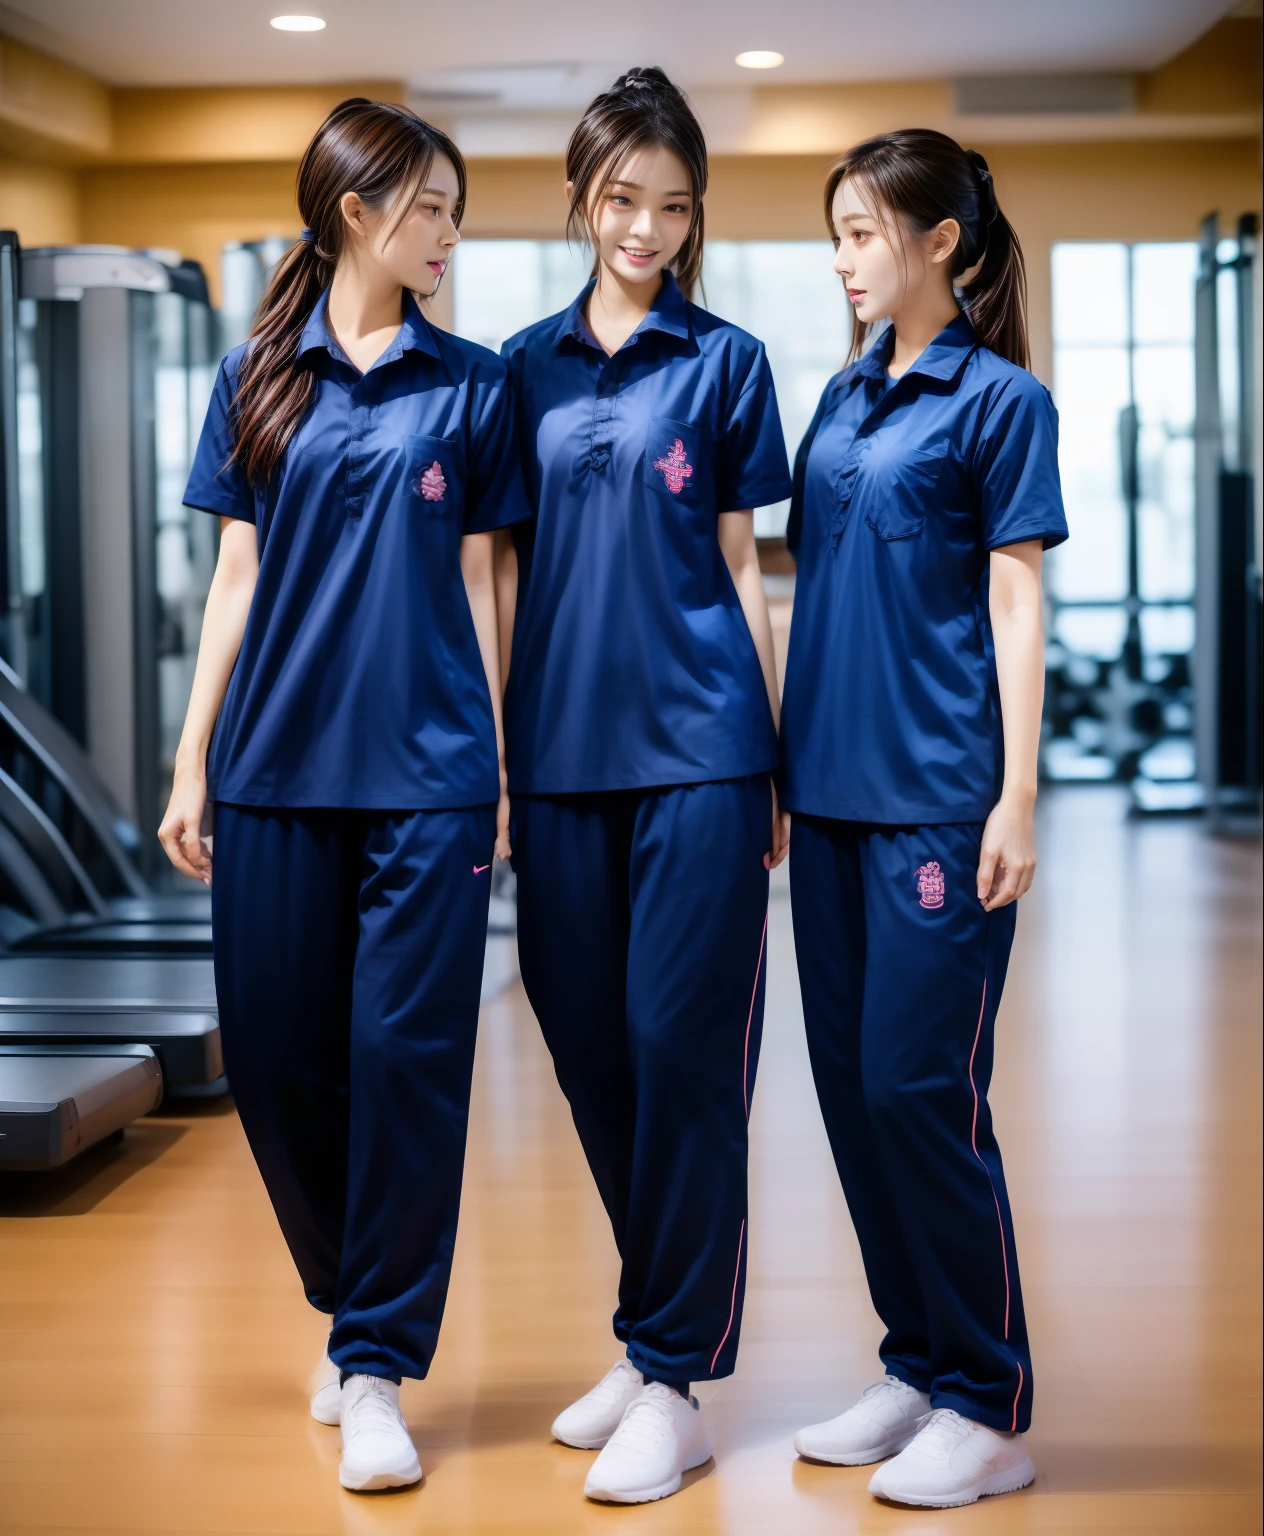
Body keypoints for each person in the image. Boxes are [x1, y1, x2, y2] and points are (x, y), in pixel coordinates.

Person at [159, 98, 530, 1493]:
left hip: (429, 776)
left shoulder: (474, 385)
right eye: (430, 206)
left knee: (407, 1068)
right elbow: (238, 578)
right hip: (271, 770)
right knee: (268, 1057)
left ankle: (374, 1359)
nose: (448, 232)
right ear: (359, 211)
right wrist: (193, 757)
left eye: (455, 208)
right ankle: (346, 1294)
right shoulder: (261, 372)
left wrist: (493, 762)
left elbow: (487, 582)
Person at [497, 66, 791, 1506]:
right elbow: (492, 576)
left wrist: (779, 748)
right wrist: (487, 751)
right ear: (581, 198)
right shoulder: (516, 369)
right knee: (587, 1042)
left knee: (684, 1053)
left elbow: (744, 565)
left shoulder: (727, 363)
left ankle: (673, 1374)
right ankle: (650, 1317)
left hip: (705, 753)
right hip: (554, 756)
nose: (649, 230)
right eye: (625, 200)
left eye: (675, 208)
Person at [779, 129, 1067, 1509]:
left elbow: (1016, 603)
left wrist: (1016, 789)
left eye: (861, 233)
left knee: (919, 1092)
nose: (843, 258)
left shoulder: (1001, 401)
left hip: (939, 805)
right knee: (852, 1100)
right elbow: (809, 594)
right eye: (834, 233)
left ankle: (988, 1399)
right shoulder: (839, 398)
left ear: (939, 241)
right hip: (825, 802)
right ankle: (914, 1359)